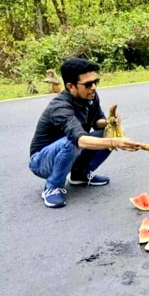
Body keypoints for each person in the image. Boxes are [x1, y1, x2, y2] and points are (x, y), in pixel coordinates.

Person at [29, 58, 142, 208]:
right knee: (72, 141)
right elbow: (80, 140)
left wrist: (110, 122)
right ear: (71, 86)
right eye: (88, 84)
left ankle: (79, 174)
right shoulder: (60, 107)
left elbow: (97, 122)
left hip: (71, 149)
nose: (94, 87)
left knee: (109, 133)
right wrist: (115, 142)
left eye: (96, 82)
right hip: (42, 161)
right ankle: (52, 187)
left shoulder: (90, 96)